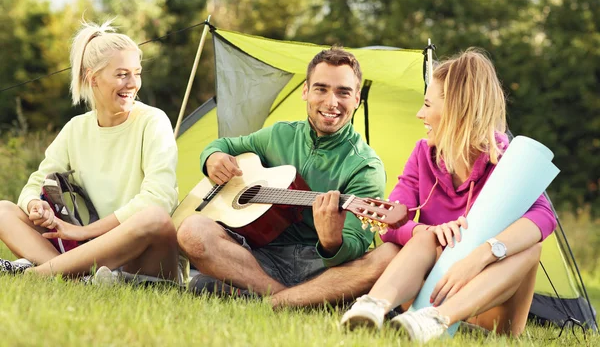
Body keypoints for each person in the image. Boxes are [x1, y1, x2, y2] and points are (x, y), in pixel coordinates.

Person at [340, 49, 557, 342]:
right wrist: (427, 231)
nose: (420, 113)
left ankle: (439, 319)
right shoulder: (423, 154)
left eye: (428, 104)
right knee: (424, 236)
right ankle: (372, 306)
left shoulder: (506, 159)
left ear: (457, 109)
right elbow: (392, 221)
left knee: (530, 248)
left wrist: (484, 253)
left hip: (490, 310)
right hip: (431, 293)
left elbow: (545, 216)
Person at [177, 47, 400, 307]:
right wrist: (212, 158)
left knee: (389, 255)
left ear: (356, 99)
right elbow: (223, 146)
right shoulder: (278, 135)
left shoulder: (366, 166)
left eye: (343, 92)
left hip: (323, 270)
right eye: (321, 89)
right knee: (192, 230)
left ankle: (263, 298)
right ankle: (295, 300)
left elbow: (355, 246)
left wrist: (332, 243)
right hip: (260, 258)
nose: (331, 102)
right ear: (306, 91)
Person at [0, 20, 180, 284]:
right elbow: (35, 184)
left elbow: (159, 199)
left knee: (154, 218)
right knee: (4, 210)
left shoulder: (153, 121)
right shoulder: (76, 129)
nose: (133, 84)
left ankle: (38, 273)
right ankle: (74, 277)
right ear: (92, 78)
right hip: (88, 251)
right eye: (122, 74)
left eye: (137, 73)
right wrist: (35, 205)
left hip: (142, 256)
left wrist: (83, 233)